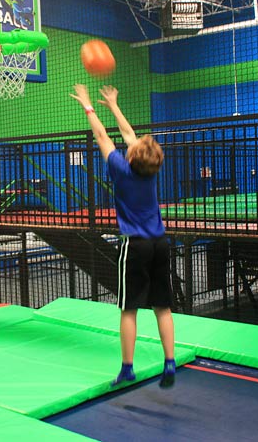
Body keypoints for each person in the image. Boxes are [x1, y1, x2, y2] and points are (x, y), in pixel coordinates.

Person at [70, 84, 176, 388]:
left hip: (136, 246)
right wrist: (114, 105)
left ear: (130, 158)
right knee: (162, 307)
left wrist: (89, 106)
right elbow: (131, 138)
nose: (130, 144)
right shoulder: (150, 170)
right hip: (161, 243)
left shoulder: (121, 168)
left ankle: (127, 367)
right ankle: (169, 361)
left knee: (129, 308)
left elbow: (103, 137)